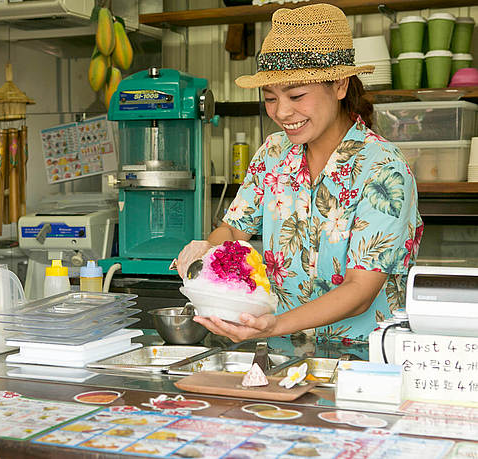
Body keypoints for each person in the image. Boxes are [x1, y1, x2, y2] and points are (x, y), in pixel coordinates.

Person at [177, 3, 423, 344]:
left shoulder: (383, 169)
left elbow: (359, 291)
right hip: (283, 351)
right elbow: (235, 229)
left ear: (339, 85)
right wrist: (206, 250)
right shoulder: (273, 154)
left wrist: (275, 325)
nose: (282, 112)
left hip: (363, 358)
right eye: (270, 98)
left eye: (296, 95)